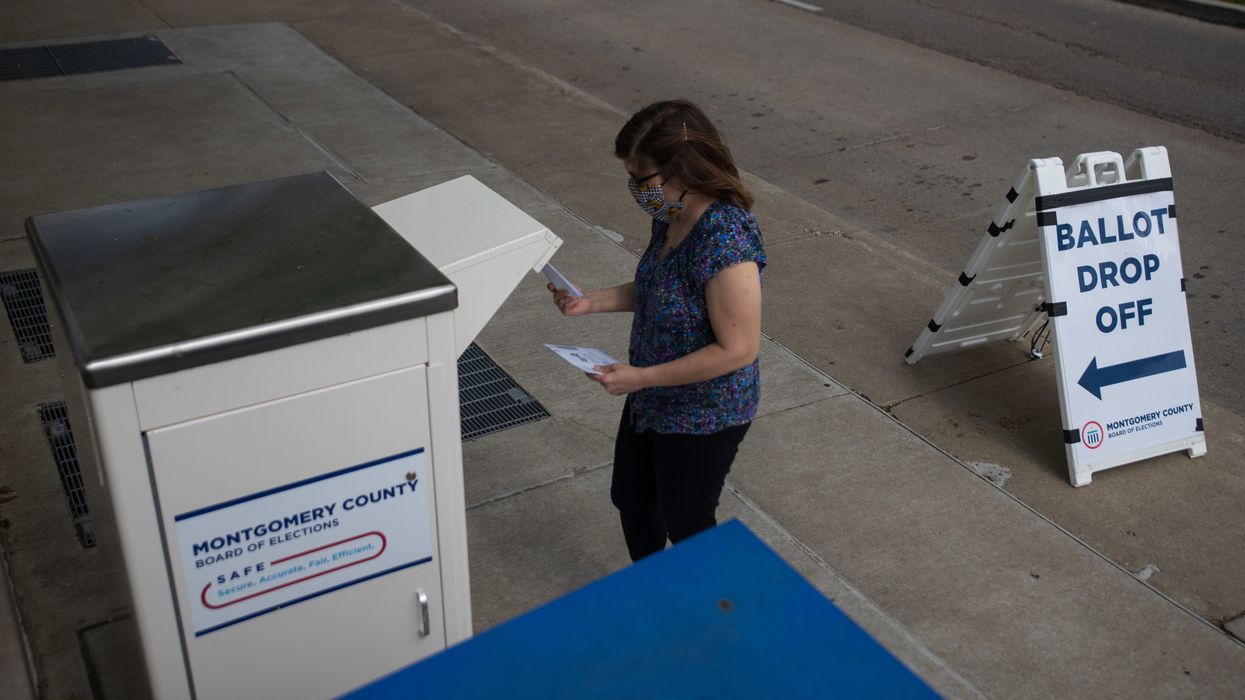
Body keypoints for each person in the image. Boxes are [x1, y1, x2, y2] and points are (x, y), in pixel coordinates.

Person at [548, 99, 766, 561]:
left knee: (688, 523)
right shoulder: (670, 215)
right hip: (652, 396)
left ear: (682, 168)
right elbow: (660, 287)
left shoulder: (726, 238)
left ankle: (710, 611)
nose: (635, 189)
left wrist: (639, 377)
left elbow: (738, 349)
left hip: (703, 411)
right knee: (632, 497)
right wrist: (591, 303)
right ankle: (650, 586)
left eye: (641, 178)